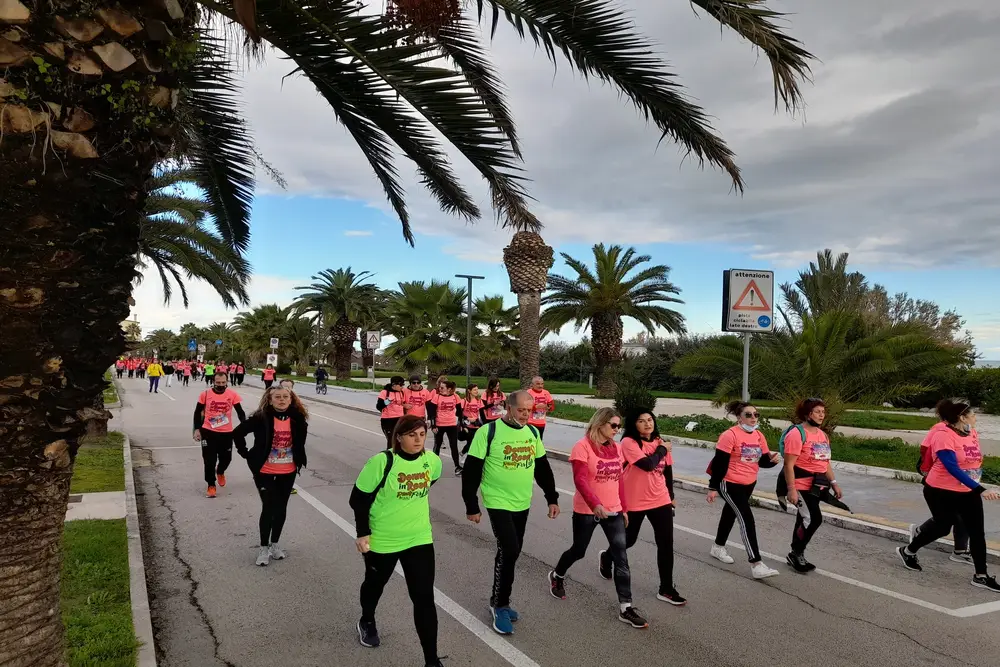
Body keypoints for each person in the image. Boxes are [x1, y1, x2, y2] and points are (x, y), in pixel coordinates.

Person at [350, 415, 445, 667]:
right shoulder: (382, 462)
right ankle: (367, 619)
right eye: (412, 435)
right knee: (374, 584)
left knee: (424, 597)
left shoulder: (432, 461)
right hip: (383, 538)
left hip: (419, 537)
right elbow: (358, 499)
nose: (417, 440)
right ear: (399, 437)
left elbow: (428, 483)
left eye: (422, 434)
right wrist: (362, 532)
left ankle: (431, 660)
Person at [462, 391, 560, 635]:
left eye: (529, 410)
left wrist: (552, 498)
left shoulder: (532, 432)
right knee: (510, 549)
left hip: (522, 502)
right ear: (508, 407)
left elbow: (542, 468)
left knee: (510, 553)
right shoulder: (488, 432)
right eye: (521, 410)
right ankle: (500, 605)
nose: (526, 415)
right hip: (497, 501)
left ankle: (500, 599)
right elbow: (472, 470)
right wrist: (471, 505)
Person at [549, 408, 648, 629]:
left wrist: (623, 507)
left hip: (612, 510)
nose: (617, 429)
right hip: (587, 510)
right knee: (579, 550)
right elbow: (581, 480)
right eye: (613, 425)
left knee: (621, 556)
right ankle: (557, 575)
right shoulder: (581, 447)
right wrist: (595, 505)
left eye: (618, 426)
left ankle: (626, 607)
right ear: (600, 424)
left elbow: (620, 480)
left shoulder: (617, 448)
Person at [898, 400, 1000, 591]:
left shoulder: (972, 432)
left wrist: (976, 483)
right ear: (962, 417)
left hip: (967, 490)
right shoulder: (943, 435)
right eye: (973, 414)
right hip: (940, 490)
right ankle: (908, 551)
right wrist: (981, 489)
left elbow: (973, 462)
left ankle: (981, 575)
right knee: (943, 526)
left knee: (977, 531)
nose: (976, 417)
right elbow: (952, 467)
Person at [609, 409, 688, 604]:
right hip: (634, 500)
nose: (647, 424)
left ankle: (666, 588)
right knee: (629, 540)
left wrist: (671, 496)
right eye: (641, 421)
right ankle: (607, 556)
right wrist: (662, 449)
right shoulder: (629, 443)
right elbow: (647, 464)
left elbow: (667, 470)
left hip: (660, 499)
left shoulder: (659, 441)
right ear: (633, 425)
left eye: (650, 420)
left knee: (666, 544)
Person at [233, 387, 308, 566]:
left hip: (287, 471)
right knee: (269, 507)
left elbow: (300, 443)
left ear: (291, 399)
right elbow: (237, 433)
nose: (281, 400)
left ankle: (275, 544)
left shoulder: (298, 418)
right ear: (270, 399)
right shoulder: (261, 417)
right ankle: (263, 547)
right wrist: (246, 454)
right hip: (265, 470)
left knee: (281, 508)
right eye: (277, 397)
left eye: (285, 397)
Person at [706, 401, 781, 579]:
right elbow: (719, 463)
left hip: (749, 483)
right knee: (746, 518)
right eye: (748, 415)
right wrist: (713, 487)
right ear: (739, 417)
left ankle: (718, 547)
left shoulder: (758, 435)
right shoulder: (729, 435)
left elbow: (761, 461)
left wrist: (772, 461)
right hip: (729, 483)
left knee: (730, 514)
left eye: (756, 415)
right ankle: (756, 563)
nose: (753, 418)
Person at [782, 397, 843, 573]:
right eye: (817, 411)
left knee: (804, 518)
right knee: (813, 519)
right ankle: (797, 552)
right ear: (807, 413)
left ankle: (796, 553)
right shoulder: (796, 434)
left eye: (823, 412)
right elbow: (788, 465)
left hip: (817, 486)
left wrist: (834, 483)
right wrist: (791, 489)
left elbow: (825, 462)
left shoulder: (823, 435)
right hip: (801, 485)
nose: (821, 415)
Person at [912, 418, 973, 565]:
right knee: (948, 518)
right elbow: (926, 449)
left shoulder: (967, 429)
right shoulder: (940, 428)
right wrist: (928, 471)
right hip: (942, 479)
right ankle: (917, 538)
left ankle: (959, 550)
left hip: (961, 478)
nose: (973, 416)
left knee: (959, 514)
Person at [192, 371, 246, 498]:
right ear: (213, 382)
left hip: (226, 432)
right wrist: (197, 429)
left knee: (227, 458)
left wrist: (244, 425)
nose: (220, 385)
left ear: (226, 382)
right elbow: (197, 412)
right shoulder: (205, 394)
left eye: (223, 382)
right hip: (208, 431)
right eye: (218, 383)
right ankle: (211, 485)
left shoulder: (232, 394)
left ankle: (220, 471)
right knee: (209, 460)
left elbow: (240, 412)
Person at [427, 381, 462, 475]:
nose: (440, 389)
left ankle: (457, 467)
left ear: (449, 389)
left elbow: (459, 412)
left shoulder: (455, 396)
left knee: (454, 446)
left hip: (451, 425)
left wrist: (461, 423)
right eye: (439, 388)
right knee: (437, 445)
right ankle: (434, 466)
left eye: (442, 388)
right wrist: (433, 425)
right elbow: (431, 412)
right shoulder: (437, 396)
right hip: (439, 425)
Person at [377, 377, 406, 449]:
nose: (402, 387)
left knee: (399, 440)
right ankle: (390, 456)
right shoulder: (385, 392)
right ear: (394, 385)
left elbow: (402, 404)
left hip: (399, 419)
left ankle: (398, 457)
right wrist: (387, 401)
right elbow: (378, 406)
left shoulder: (402, 392)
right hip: (388, 420)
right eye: (401, 385)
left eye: (403, 385)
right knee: (391, 440)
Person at [460, 384, 484, 457]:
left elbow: (482, 413)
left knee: (474, 442)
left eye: (477, 389)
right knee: (471, 442)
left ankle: (463, 452)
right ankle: (465, 454)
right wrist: (467, 418)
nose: (477, 391)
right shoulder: (464, 401)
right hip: (467, 426)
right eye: (475, 390)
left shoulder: (479, 401)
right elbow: (459, 413)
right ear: (469, 391)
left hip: (476, 426)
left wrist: (481, 423)